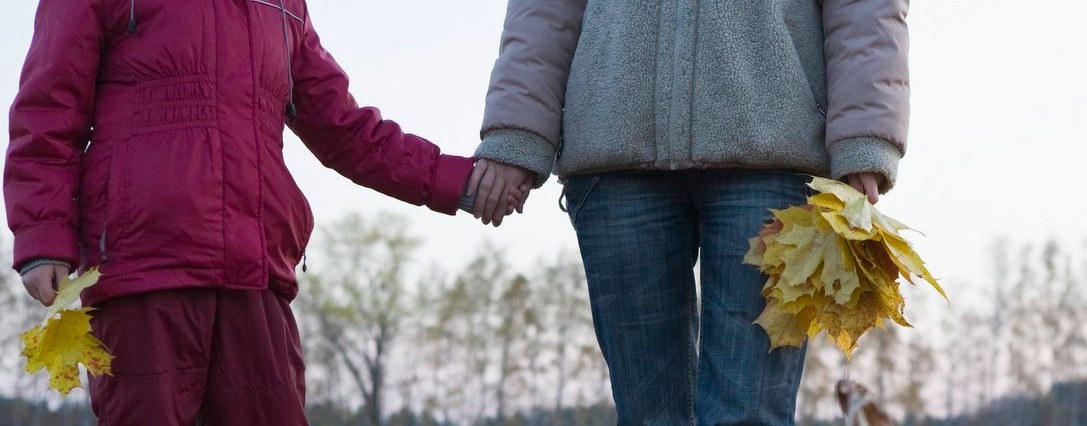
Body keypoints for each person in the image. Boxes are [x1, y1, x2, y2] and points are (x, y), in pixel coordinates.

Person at [5, 0, 521, 423]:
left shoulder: (284, 7)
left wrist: (459, 183)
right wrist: (42, 233)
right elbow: (48, 108)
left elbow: (344, 128)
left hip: (255, 276)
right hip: (143, 268)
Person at [470, 0, 911, 424]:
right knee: (647, 418)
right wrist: (518, 133)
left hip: (775, 151)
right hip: (613, 148)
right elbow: (543, 10)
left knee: (748, 417)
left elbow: (865, 6)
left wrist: (864, 137)